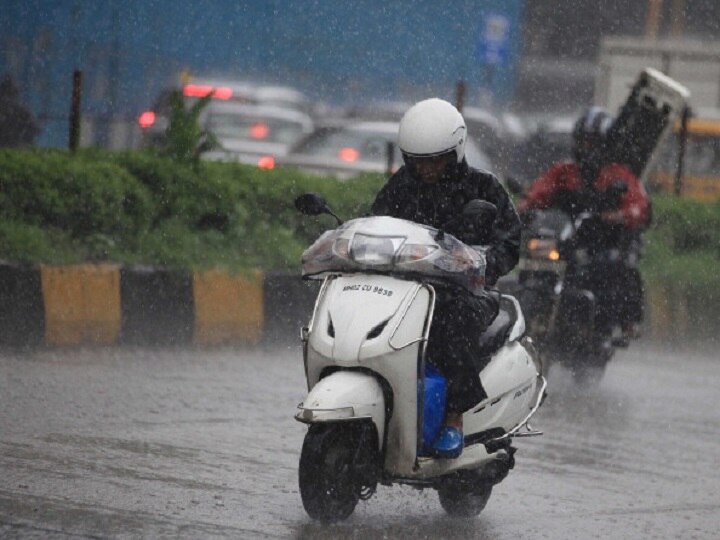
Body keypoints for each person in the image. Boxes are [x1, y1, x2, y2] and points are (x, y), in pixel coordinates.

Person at [371, 98, 521, 458]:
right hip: (406, 286)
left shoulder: (484, 188)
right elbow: (375, 222)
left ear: (454, 153)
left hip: (466, 291)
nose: (426, 170)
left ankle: (454, 417)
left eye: (435, 161)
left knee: (451, 323)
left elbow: (511, 241)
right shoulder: (402, 186)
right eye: (418, 161)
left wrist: (484, 262)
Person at [517, 106, 651, 342]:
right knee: (531, 260)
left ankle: (612, 328)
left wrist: (617, 216)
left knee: (612, 269)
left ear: (605, 145)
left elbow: (639, 206)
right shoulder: (564, 172)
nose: (585, 148)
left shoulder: (619, 176)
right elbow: (539, 192)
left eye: (592, 143)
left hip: (598, 243)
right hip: (565, 240)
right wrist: (523, 208)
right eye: (582, 142)